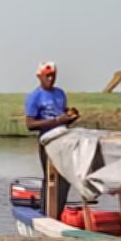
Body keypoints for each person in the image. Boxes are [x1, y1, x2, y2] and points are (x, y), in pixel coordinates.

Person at [25, 61, 83, 216]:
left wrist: (70, 116)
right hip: (47, 141)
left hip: (63, 140)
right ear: (39, 76)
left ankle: (58, 213)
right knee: (51, 178)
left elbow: (62, 113)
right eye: (47, 76)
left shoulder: (60, 93)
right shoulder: (34, 96)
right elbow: (30, 124)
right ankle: (46, 212)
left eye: (53, 76)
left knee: (65, 177)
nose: (50, 79)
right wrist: (58, 120)